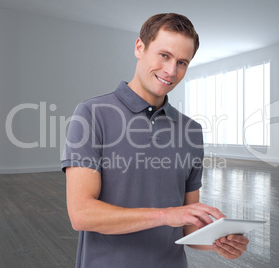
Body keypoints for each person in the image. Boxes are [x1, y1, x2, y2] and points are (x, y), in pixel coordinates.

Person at [61, 13, 249, 268]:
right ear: (140, 47)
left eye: (182, 62)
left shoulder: (191, 131)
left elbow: (187, 227)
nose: (171, 71)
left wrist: (218, 241)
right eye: (164, 55)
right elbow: (81, 214)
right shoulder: (92, 114)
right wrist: (166, 215)